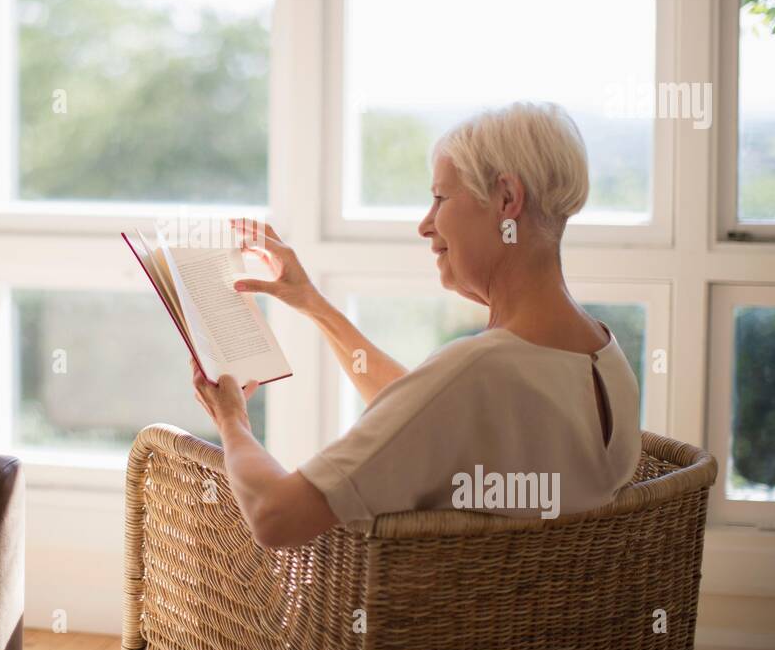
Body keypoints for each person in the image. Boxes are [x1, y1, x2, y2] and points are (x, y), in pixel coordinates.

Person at [189, 101, 642, 547]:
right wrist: (313, 303)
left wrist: (231, 420)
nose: (425, 225)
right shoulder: (604, 356)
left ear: (507, 199)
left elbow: (274, 515)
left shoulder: (481, 366)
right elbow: (426, 412)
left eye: (441, 198)